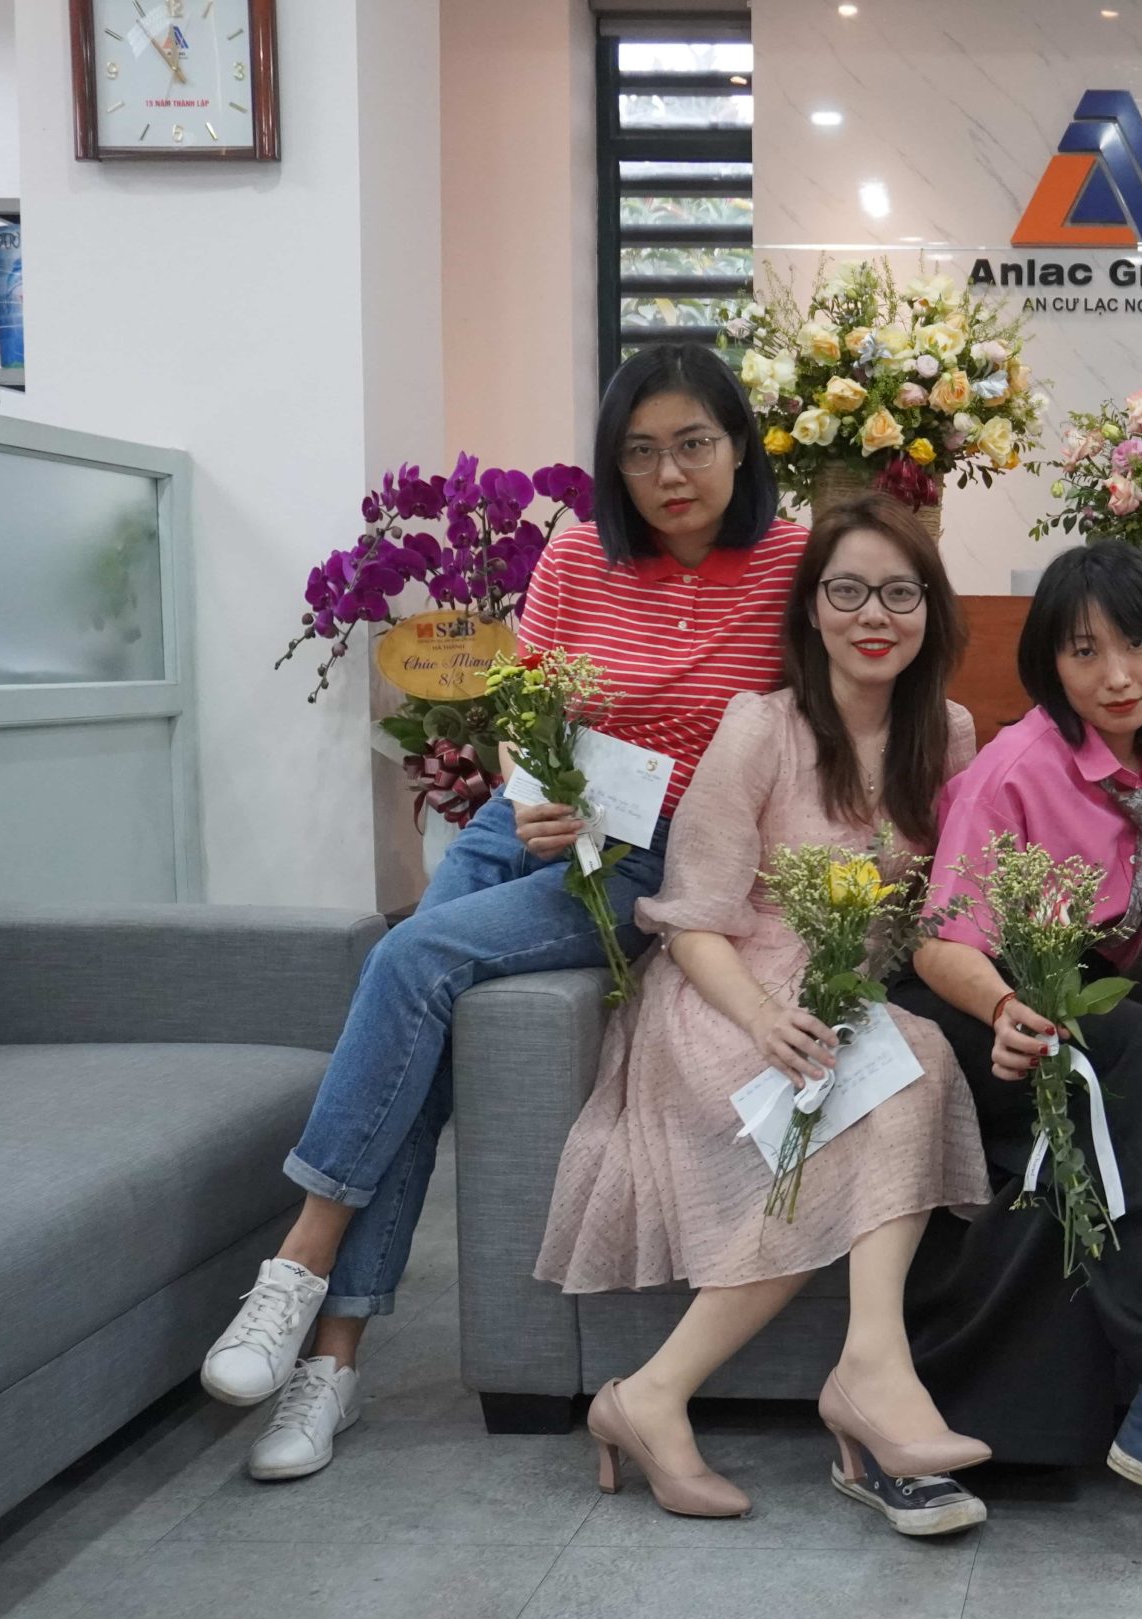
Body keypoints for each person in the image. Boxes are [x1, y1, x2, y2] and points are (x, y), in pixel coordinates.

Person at [198, 345, 805, 1481]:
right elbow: (531, 711)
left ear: (739, 445)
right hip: (537, 823)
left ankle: (299, 1265)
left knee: (413, 959)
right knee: (421, 1035)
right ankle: (331, 1364)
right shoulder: (576, 557)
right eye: (640, 452)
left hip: (657, 852)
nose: (669, 474)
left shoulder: (793, 563)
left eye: (693, 444)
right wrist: (533, 794)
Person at [536, 494, 992, 1536]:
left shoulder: (949, 735)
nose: (873, 615)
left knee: (909, 1055)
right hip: (724, 1002)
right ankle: (862, 1376)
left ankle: (666, 1392)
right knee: (901, 1062)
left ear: (930, 610)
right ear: (812, 609)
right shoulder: (762, 727)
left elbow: (956, 901)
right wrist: (759, 1018)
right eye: (847, 591)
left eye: (899, 593)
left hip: (847, 1003)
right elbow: (691, 920)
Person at [895, 541, 1142, 1519]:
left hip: (1116, 996)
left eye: (1138, 643)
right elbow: (940, 940)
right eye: (1084, 652)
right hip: (998, 1002)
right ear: (1049, 663)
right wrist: (1003, 1008)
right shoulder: (1014, 770)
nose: (1117, 676)